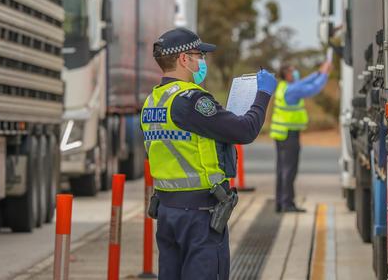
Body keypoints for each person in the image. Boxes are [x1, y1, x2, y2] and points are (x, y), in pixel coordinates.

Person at [140, 27, 277, 279]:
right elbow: (246, 130)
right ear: (184, 59)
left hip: (168, 211)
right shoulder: (191, 100)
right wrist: (263, 94)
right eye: (199, 55)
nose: (202, 61)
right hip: (199, 216)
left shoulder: (153, 101)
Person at [271, 61, 332, 213]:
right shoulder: (292, 90)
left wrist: (318, 73)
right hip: (289, 134)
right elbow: (313, 89)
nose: (296, 73)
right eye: (293, 70)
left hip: (281, 134)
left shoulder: (283, 86)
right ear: (287, 74)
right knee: (289, 170)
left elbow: (304, 81)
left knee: (281, 170)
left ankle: (280, 202)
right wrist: (324, 74)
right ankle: (287, 204)